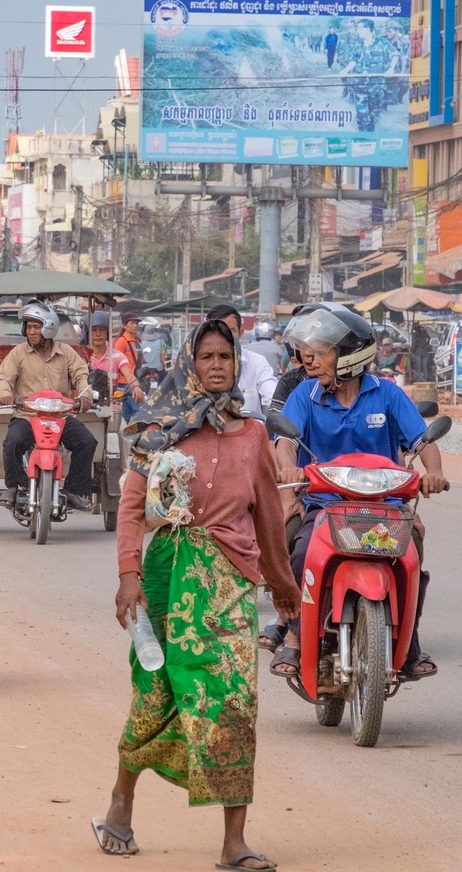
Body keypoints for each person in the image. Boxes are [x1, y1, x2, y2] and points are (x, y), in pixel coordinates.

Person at [97, 318, 301, 870]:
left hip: (230, 585)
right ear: (190, 363)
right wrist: (128, 576)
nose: (217, 365)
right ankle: (122, 801)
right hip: (166, 579)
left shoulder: (253, 435)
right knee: (157, 695)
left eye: (225, 357)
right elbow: (133, 508)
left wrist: (284, 587)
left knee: (234, 700)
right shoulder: (157, 428)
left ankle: (234, 842)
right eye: (207, 356)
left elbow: (267, 519)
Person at [270, 304, 449, 680]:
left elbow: (421, 440)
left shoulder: (388, 394)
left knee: (413, 551)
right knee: (297, 550)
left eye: (320, 352)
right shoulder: (304, 394)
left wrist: (434, 471)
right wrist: (287, 465)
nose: (309, 359)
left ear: (350, 355)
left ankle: (410, 645)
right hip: (324, 505)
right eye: (309, 351)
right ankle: (294, 633)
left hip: (386, 508)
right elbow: (286, 440)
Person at [0, 302, 96, 510]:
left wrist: (85, 394)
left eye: (36, 327)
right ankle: (14, 486)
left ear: (49, 328)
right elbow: (3, 378)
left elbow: (80, 374)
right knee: (12, 442)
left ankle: (73, 490)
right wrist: (5, 394)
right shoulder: (18, 353)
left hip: (60, 417)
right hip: (27, 415)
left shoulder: (66, 352)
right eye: (29, 327)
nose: (31, 332)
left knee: (87, 442)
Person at [205, 305, 277, 418]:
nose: (225, 335)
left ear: (240, 333)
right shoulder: (196, 365)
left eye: (232, 330)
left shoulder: (257, 363)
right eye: (219, 330)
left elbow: (273, 398)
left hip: (251, 433)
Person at [86, 311, 144, 420]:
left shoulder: (117, 356)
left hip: (111, 408)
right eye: (94, 330)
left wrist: (136, 386)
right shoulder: (82, 355)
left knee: (118, 435)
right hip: (86, 407)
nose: (98, 334)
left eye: (102, 330)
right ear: (88, 332)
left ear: (107, 332)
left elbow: (129, 375)